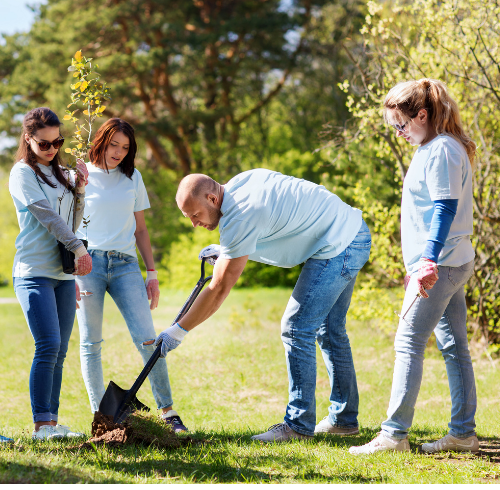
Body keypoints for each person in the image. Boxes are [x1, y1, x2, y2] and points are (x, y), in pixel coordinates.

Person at [155, 169, 372, 442]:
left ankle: (297, 425)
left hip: (340, 244)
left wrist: (178, 331)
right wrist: (228, 251)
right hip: (351, 230)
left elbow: (219, 287)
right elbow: (274, 221)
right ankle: (343, 420)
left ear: (212, 198)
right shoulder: (240, 183)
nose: (194, 225)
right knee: (329, 330)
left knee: (296, 327)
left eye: (195, 216)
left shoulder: (240, 215)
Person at [350, 79, 478, 455]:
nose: (399, 132)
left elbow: (444, 207)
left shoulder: (441, 150)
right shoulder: (435, 147)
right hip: (451, 262)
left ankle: (394, 435)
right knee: (454, 347)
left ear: (422, 114)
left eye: (401, 125)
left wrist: (427, 260)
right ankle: (463, 433)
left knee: (407, 342)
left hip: (441, 265)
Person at [74, 118, 187, 432]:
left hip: (125, 265)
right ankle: (102, 417)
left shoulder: (133, 177)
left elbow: (141, 229)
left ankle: (168, 411)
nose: (119, 152)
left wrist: (152, 273)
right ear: (101, 141)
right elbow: (68, 225)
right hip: (88, 265)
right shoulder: (79, 174)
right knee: (90, 343)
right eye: (114, 145)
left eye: (125, 148)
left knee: (148, 340)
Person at [9, 107, 92, 440]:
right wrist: (80, 249)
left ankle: (52, 424)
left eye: (57, 142)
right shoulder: (22, 173)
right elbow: (45, 215)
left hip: (61, 274)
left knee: (60, 351)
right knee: (48, 344)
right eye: (44, 144)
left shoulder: (61, 174)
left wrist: (81, 189)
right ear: (29, 139)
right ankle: (41, 426)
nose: (52, 149)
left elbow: (72, 222)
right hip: (32, 271)